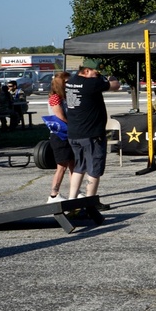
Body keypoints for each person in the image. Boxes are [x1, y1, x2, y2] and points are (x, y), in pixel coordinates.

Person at [65, 58, 120, 209]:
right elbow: (116, 86)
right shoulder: (91, 83)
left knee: (79, 167)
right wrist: (110, 77)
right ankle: (91, 203)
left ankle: (72, 200)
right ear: (87, 70)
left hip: (75, 133)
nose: (97, 76)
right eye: (96, 73)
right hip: (92, 134)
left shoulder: (71, 81)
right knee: (94, 168)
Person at [45, 72, 76, 202]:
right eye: (67, 82)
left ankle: (75, 191)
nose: (69, 84)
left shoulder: (66, 97)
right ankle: (54, 194)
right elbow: (60, 116)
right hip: (60, 135)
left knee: (73, 165)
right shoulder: (55, 98)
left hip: (70, 134)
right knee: (61, 166)